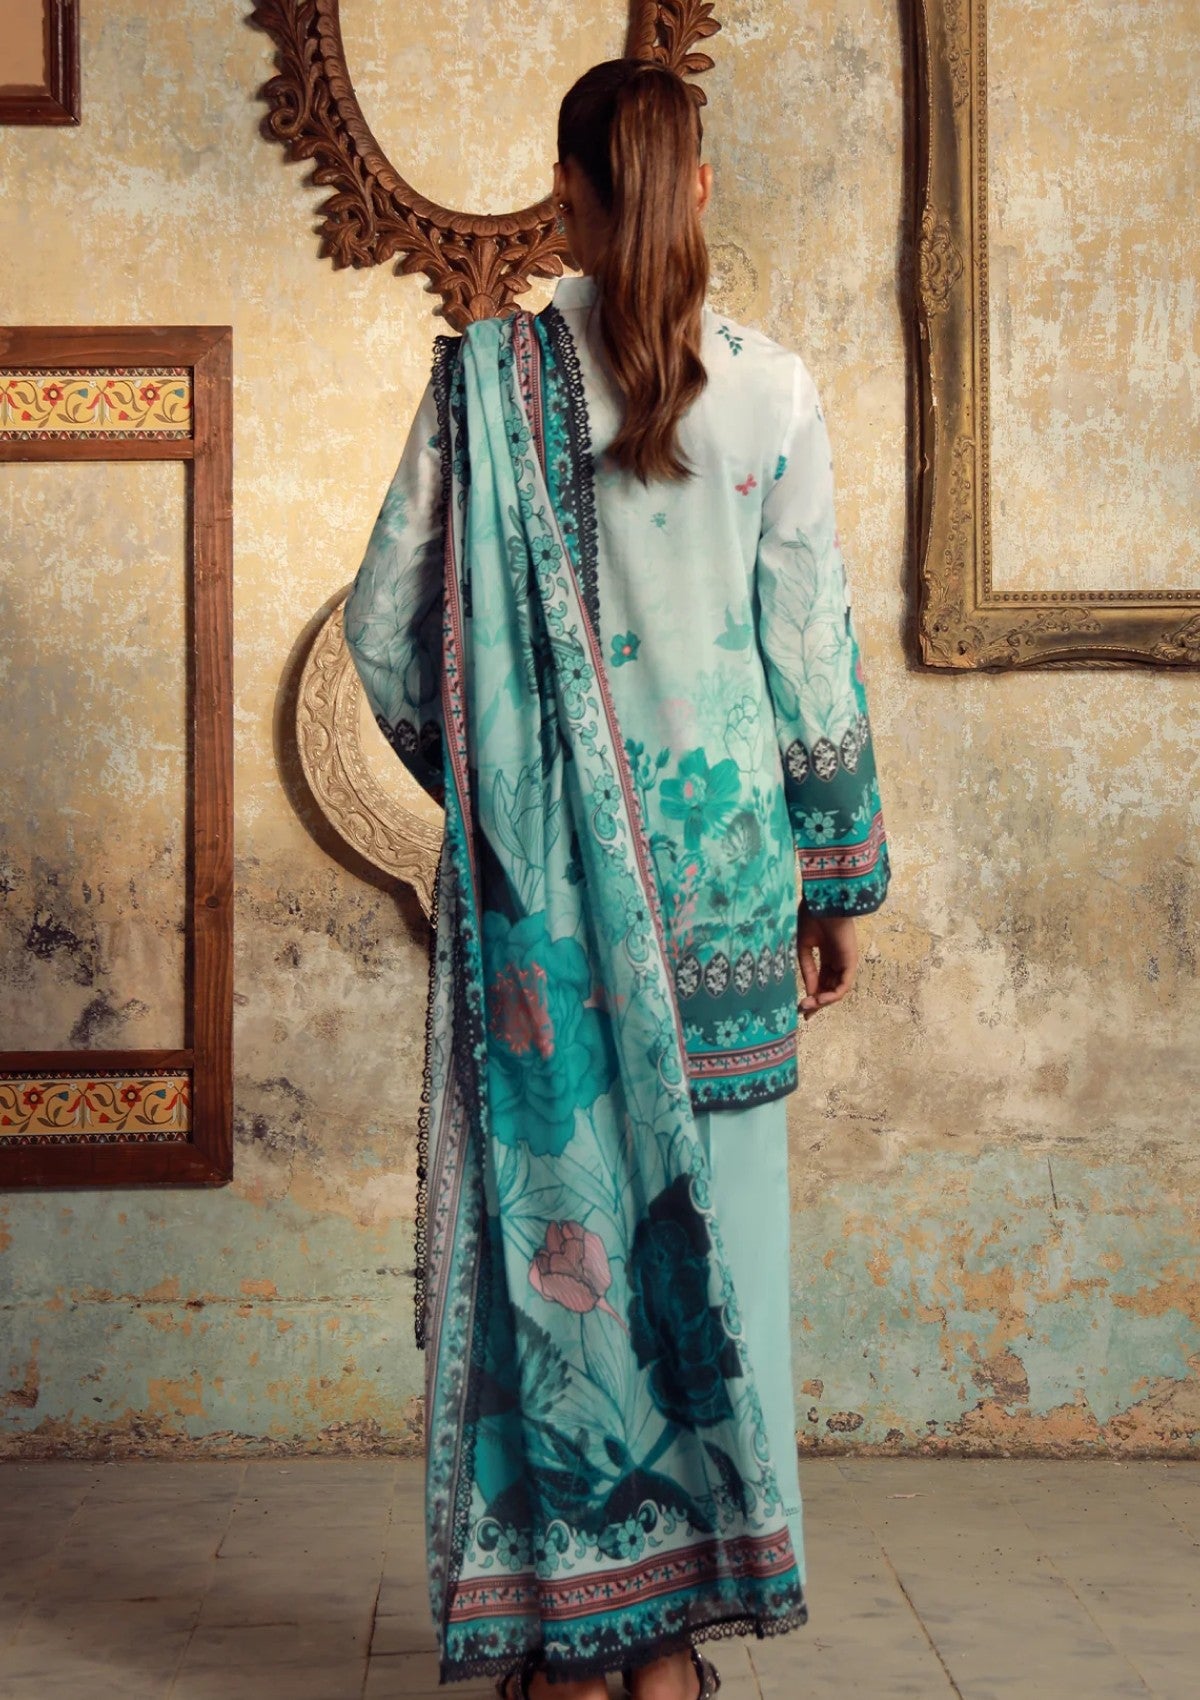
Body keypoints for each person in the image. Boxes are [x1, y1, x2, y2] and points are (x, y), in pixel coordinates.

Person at [343, 57, 890, 1700]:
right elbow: (811, 656)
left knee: (567, 1278)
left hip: (556, 926)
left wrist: (509, 804)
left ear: (568, 201)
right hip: (727, 900)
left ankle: (573, 1661)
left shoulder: (488, 383)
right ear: (699, 189)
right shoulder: (773, 392)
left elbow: (386, 630)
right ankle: (666, 1663)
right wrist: (835, 881)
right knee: (711, 1271)